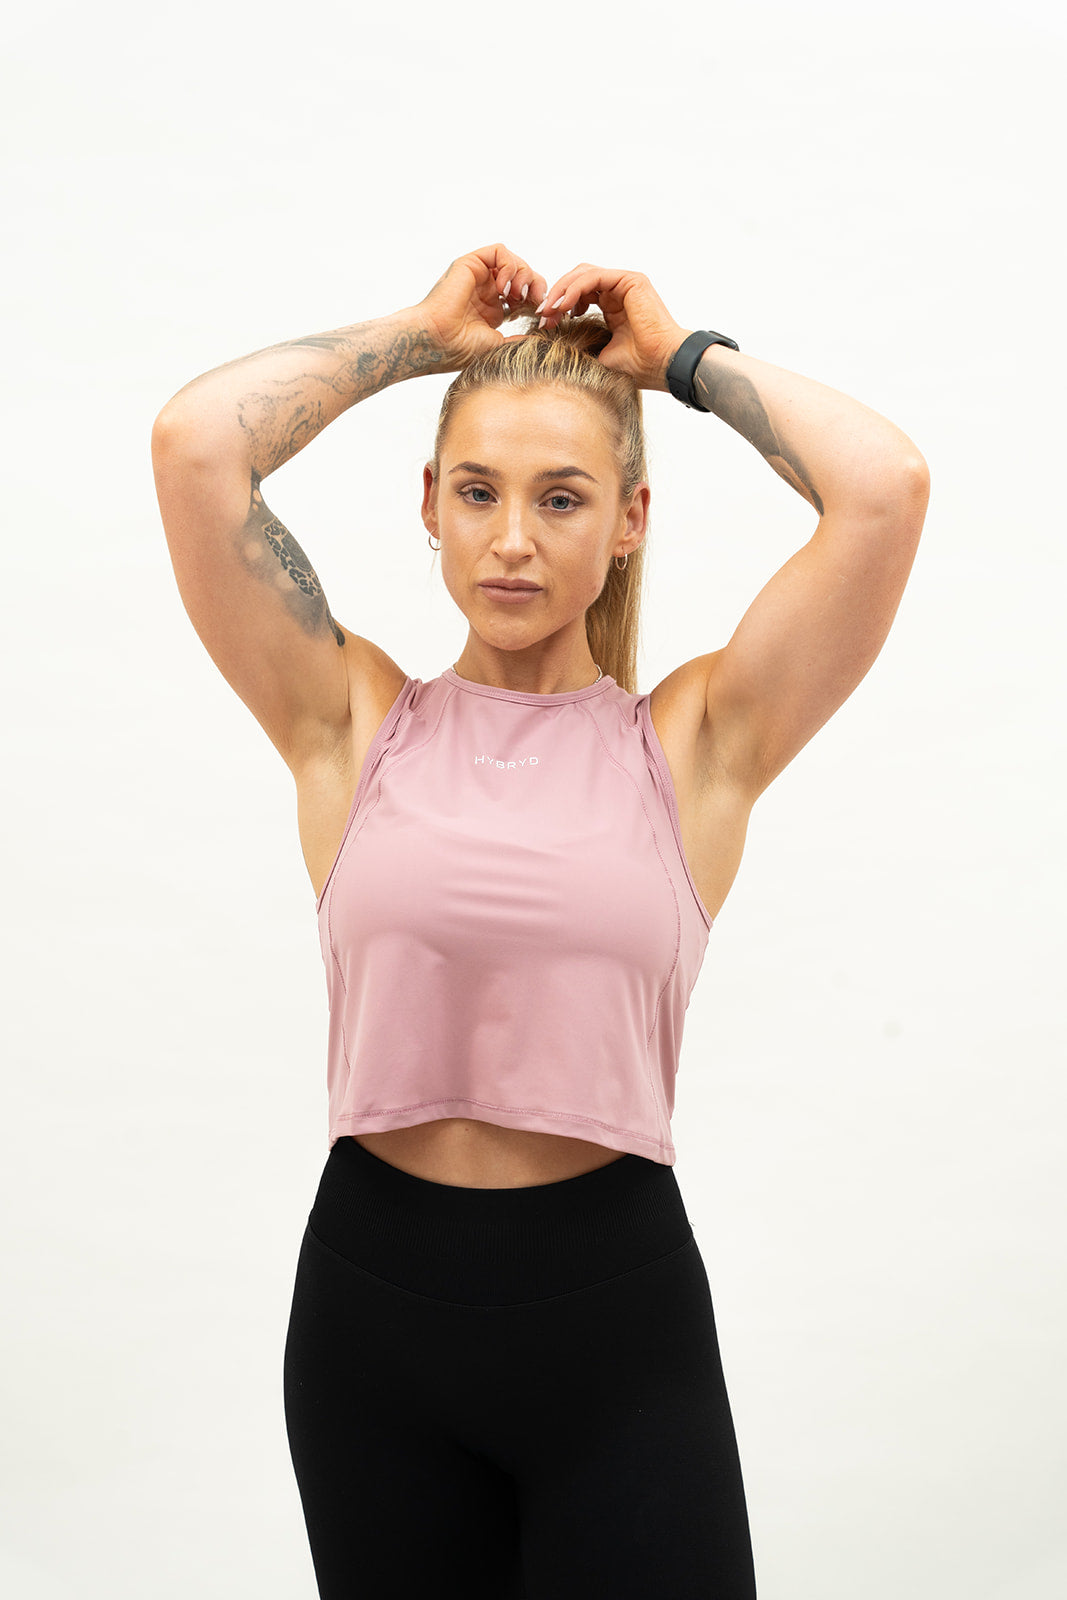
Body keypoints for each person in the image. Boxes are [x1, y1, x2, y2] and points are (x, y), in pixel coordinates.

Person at [151, 242, 930, 1599]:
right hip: (372, 1327)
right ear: (431, 506)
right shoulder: (351, 723)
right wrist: (420, 338)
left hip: (614, 1329)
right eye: (479, 492)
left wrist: (679, 359)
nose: (513, 538)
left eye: (562, 498)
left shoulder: (691, 747)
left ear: (628, 520)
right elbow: (195, 446)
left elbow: (885, 488)